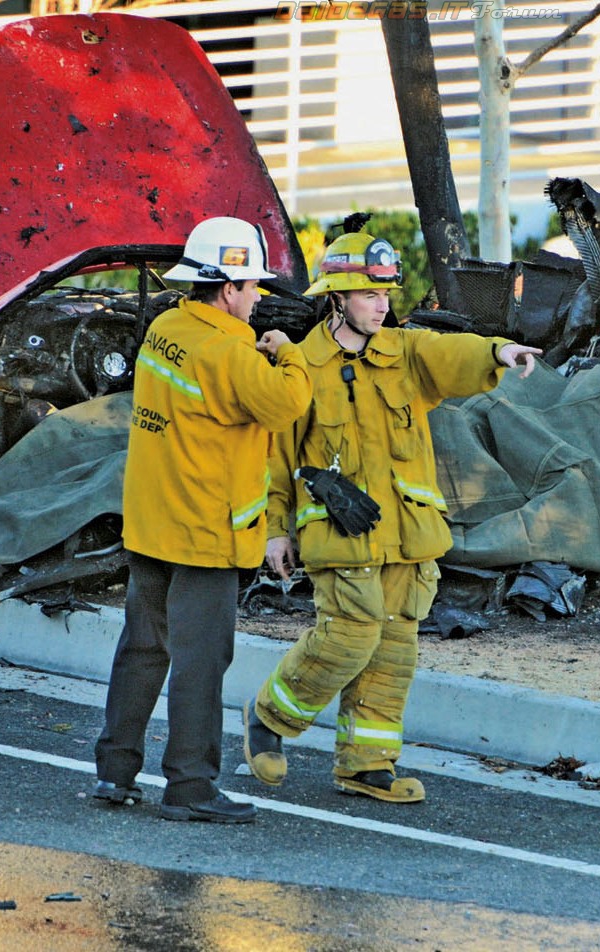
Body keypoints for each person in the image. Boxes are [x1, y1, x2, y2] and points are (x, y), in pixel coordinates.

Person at [243, 228, 541, 803]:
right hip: (340, 535)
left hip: (407, 536)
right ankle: (270, 720)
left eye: (386, 295)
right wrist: (276, 531)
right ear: (338, 298)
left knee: (394, 651)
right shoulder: (302, 366)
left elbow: (451, 354)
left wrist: (498, 351)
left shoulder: (404, 352)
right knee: (349, 637)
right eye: (369, 295)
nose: (382, 306)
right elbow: (276, 459)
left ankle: (367, 765)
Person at [94, 216, 312, 823]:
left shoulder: (167, 327)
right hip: (207, 534)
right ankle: (190, 786)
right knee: (201, 663)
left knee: (142, 649)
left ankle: (115, 771)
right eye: (252, 287)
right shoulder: (233, 351)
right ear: (226, 288)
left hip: (153, 522)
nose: (259, 297)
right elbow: (289, 405)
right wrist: (287, 354)